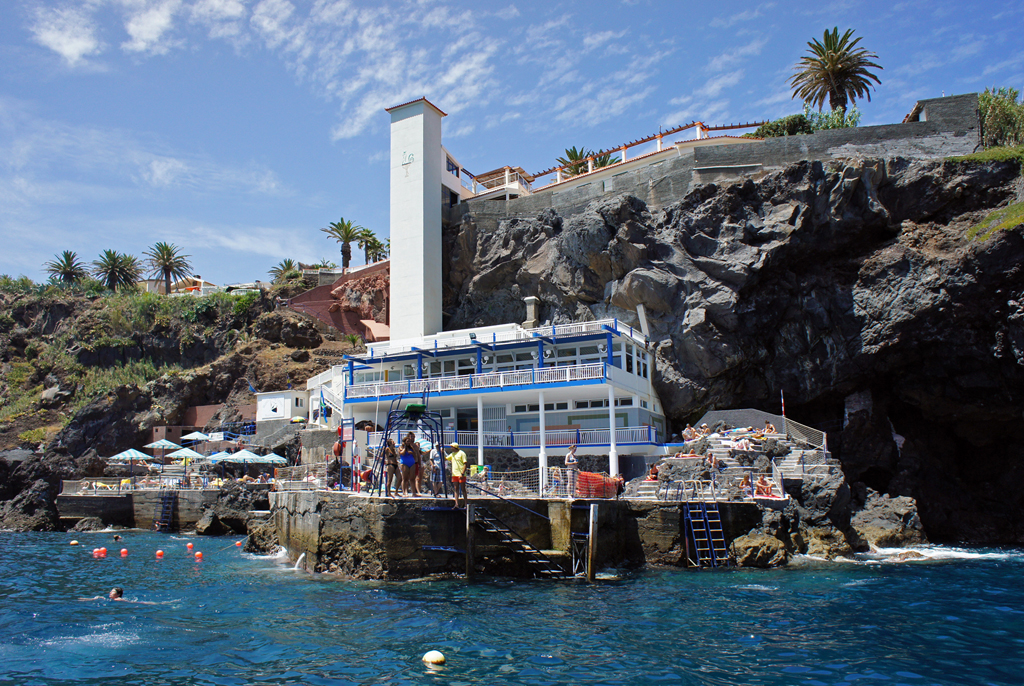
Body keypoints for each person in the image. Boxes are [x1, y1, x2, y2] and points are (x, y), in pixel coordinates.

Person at [446, 442, 468, 507]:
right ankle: (456, 504)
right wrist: (442, 453)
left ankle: (466, 503)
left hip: (461, 474)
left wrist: (462, 473)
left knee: (463, 488)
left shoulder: (462, 453)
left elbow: (465, 463)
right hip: (454, 474)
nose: (451, 448)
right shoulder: (452, 454)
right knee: (456, 488)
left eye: (451, 447)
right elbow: (446, 458)